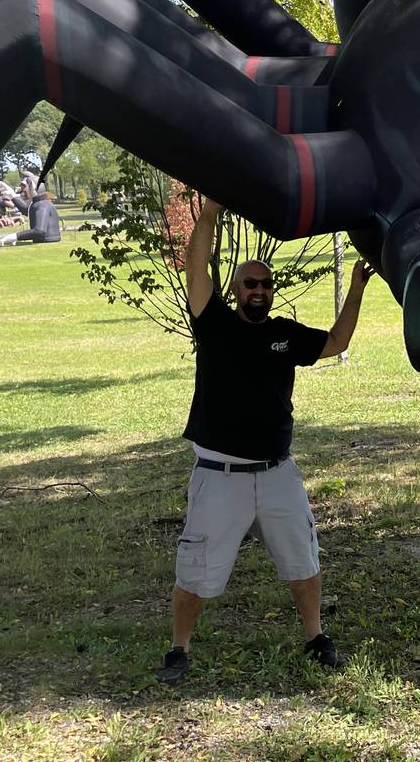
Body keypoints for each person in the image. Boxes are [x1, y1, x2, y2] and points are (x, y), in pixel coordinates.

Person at [155, 197, 375, 685]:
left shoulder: (283, 334)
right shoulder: (214, 324)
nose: (259, 289)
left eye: (265, 283)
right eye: (250, 283)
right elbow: (195, 264)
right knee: (195, 573)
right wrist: (210, 210)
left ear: (272, 291)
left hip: (277, 474)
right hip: (220, 476)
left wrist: (357, 288)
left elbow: (337, 342)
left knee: (304, 561)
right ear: (236, 289)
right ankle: (178, 649)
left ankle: (316, 637)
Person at [0, 179, 61, 245]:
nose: (23, 190)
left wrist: (15, 236)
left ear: (33, 188)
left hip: (46, 242)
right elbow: (28, 211)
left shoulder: (42, 205)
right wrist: (12, 195)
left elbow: (39, 231)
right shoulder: (41, 203)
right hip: (45, 241)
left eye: (25, 187)